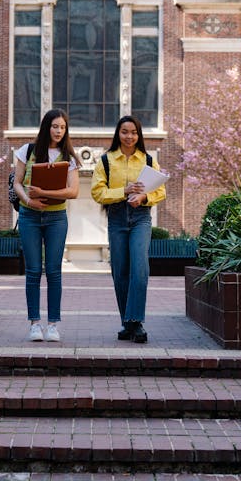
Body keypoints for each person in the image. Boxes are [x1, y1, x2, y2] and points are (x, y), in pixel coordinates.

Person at [90, 114, 166, 343]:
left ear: (139, 135)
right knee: (120, 271)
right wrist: (123, 191)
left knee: (140, 269)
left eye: (134, 132)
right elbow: (96, 192)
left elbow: (160, 191)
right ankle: (127, 322)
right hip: (116, 218)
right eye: (125, 132)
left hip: (141, 218)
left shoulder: (149, 160)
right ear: (118, 134)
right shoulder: (106, 161)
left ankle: (137, 323)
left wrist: (143, 197)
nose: (129, 136)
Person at [13, 108, 80, 342]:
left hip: (56, 219)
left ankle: (53, 325)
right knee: (32, 272)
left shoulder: (68, 157)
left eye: (62, 127)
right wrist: (30, 199)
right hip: (29, 217)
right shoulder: (27, 151)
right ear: (46, 127)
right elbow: (17, 184)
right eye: (55, 126)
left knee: (53, 271)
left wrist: (44, 192)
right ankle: (34, 323)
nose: (59, 131)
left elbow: (73, 191)